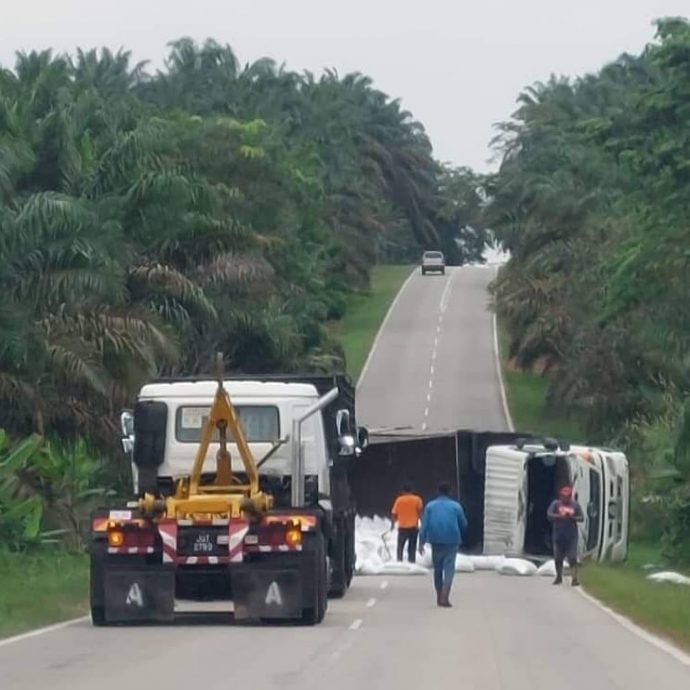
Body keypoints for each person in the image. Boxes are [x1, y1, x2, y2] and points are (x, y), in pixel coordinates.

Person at [418, 482, 468, 607]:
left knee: (438, 569)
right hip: (452, 540)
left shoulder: (430, 506)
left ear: (438, 492)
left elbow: (424, 526)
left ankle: (439, 595)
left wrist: (421, 543)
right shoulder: (456, 506)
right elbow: (464, 523)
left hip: (435, 540)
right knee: (449, 569)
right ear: (450, 493)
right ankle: (445, 596)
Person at [547, 485, 584, 586]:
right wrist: (559, 516)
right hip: (558, 535)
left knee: (572, 557)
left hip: (571, 536)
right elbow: (549, 515)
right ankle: (558, 576)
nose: (565, 498)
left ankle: (574, 578)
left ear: (570, 496)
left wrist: (572, 517)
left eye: (567, 496)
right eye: (563, 496)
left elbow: (581, 517)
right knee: (558, 557)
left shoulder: (575, 505)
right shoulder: (556, 504)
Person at [391, 483, 424, 563]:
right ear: (412, 490)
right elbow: (420, 513)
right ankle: (411, 562)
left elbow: (394, 513)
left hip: (402, 527)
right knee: (412, 547)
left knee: (400, 547)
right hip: (413, 527)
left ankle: (399, 561)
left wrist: (392, 525)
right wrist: (422, 523)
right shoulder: (417, 499)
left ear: (403, 491)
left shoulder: (399, 500)